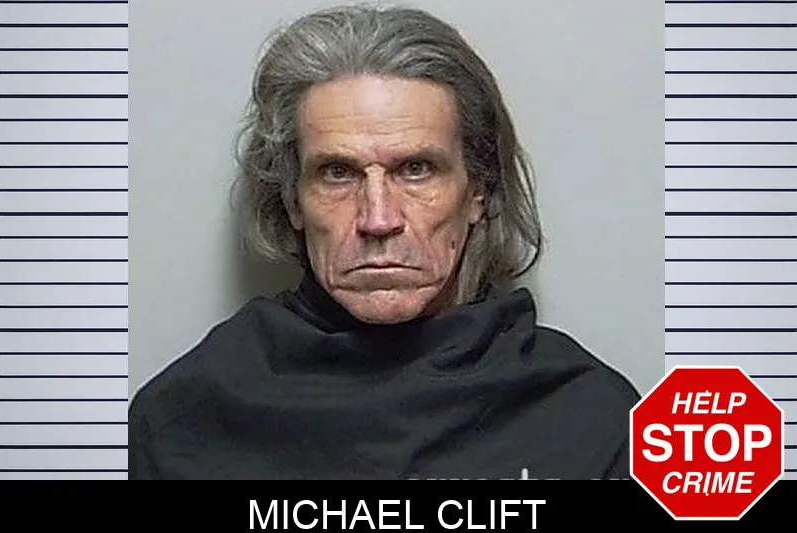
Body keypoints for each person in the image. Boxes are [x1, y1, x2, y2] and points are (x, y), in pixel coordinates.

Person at [129, 4, 640, 480]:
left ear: (477, 193)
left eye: (416, 169)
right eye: (337, 173)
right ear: (292, 201)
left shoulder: (596, 418)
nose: (378, 219)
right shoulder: (183, 420)